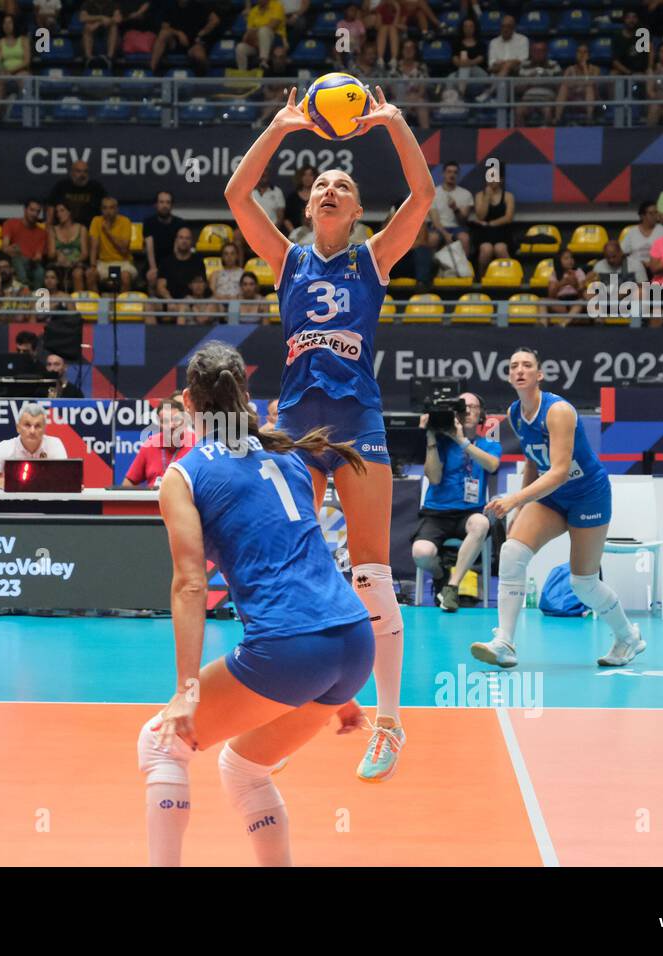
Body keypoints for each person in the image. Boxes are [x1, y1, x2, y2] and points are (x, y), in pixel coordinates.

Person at [224, 84, 433, 783]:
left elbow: (423, 196)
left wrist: (396, 123)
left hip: (356, 420)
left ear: (356, 209)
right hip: (295, 427)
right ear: (310, 205)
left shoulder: (370, 260)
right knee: (291, 567)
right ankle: (282, 715)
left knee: (371, 570)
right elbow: (236, 192)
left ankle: (392, 721)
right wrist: (281, 128)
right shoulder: (287, 260)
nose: (330, 187)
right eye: (321, 183)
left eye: (343, 182)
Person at [138, 342, 371, 866]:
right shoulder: (288, 456)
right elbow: (310, 554)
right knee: (243, 768)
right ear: (245, 393)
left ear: (188, 404)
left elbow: (191, 585)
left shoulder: (184, 475)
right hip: (353, 645)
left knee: (161, 744)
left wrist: (186, 691)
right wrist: (336, 686)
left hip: (293, 650)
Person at [472, 347, 644, 670]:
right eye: (514, 366)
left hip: (587, 495)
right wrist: (522, 506)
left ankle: (627, 637)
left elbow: (560, 471)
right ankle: (505, 643)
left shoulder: (558, 411)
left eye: (527, 365)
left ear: (539, 375)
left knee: (583, 583)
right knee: (511, 553)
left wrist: (515, 500)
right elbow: (533, 461)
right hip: (552, 498)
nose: (520, 370)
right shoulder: (514, 413)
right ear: (510, 377)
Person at [412, 393, 501, 612]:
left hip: (468, 514)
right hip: (436, 513)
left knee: (481, 523)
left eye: (474, 407)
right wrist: (431, 437)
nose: (469, 411)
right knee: (421, 553)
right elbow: (434, 478)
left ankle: (452, 588)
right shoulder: (441, 442)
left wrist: (462, 441)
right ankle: (441, 575)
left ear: (481, 414)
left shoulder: (488, 444)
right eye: (463, 407)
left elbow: (492, 465)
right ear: (455, 413)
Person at [0, 403, 67, 487]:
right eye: (27, 425)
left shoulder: (55, 444)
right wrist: (19, 482)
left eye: (37, 426)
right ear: (18, 428)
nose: (32, 431)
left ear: (44, 429)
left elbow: (65, 481)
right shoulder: (5, 447)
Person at [123, 398, 194, 488]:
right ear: (158, 423)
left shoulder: (196, 444)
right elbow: (128, 483)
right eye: (165, 421)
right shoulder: (149, 444)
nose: (171, 425)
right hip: (152, 500)